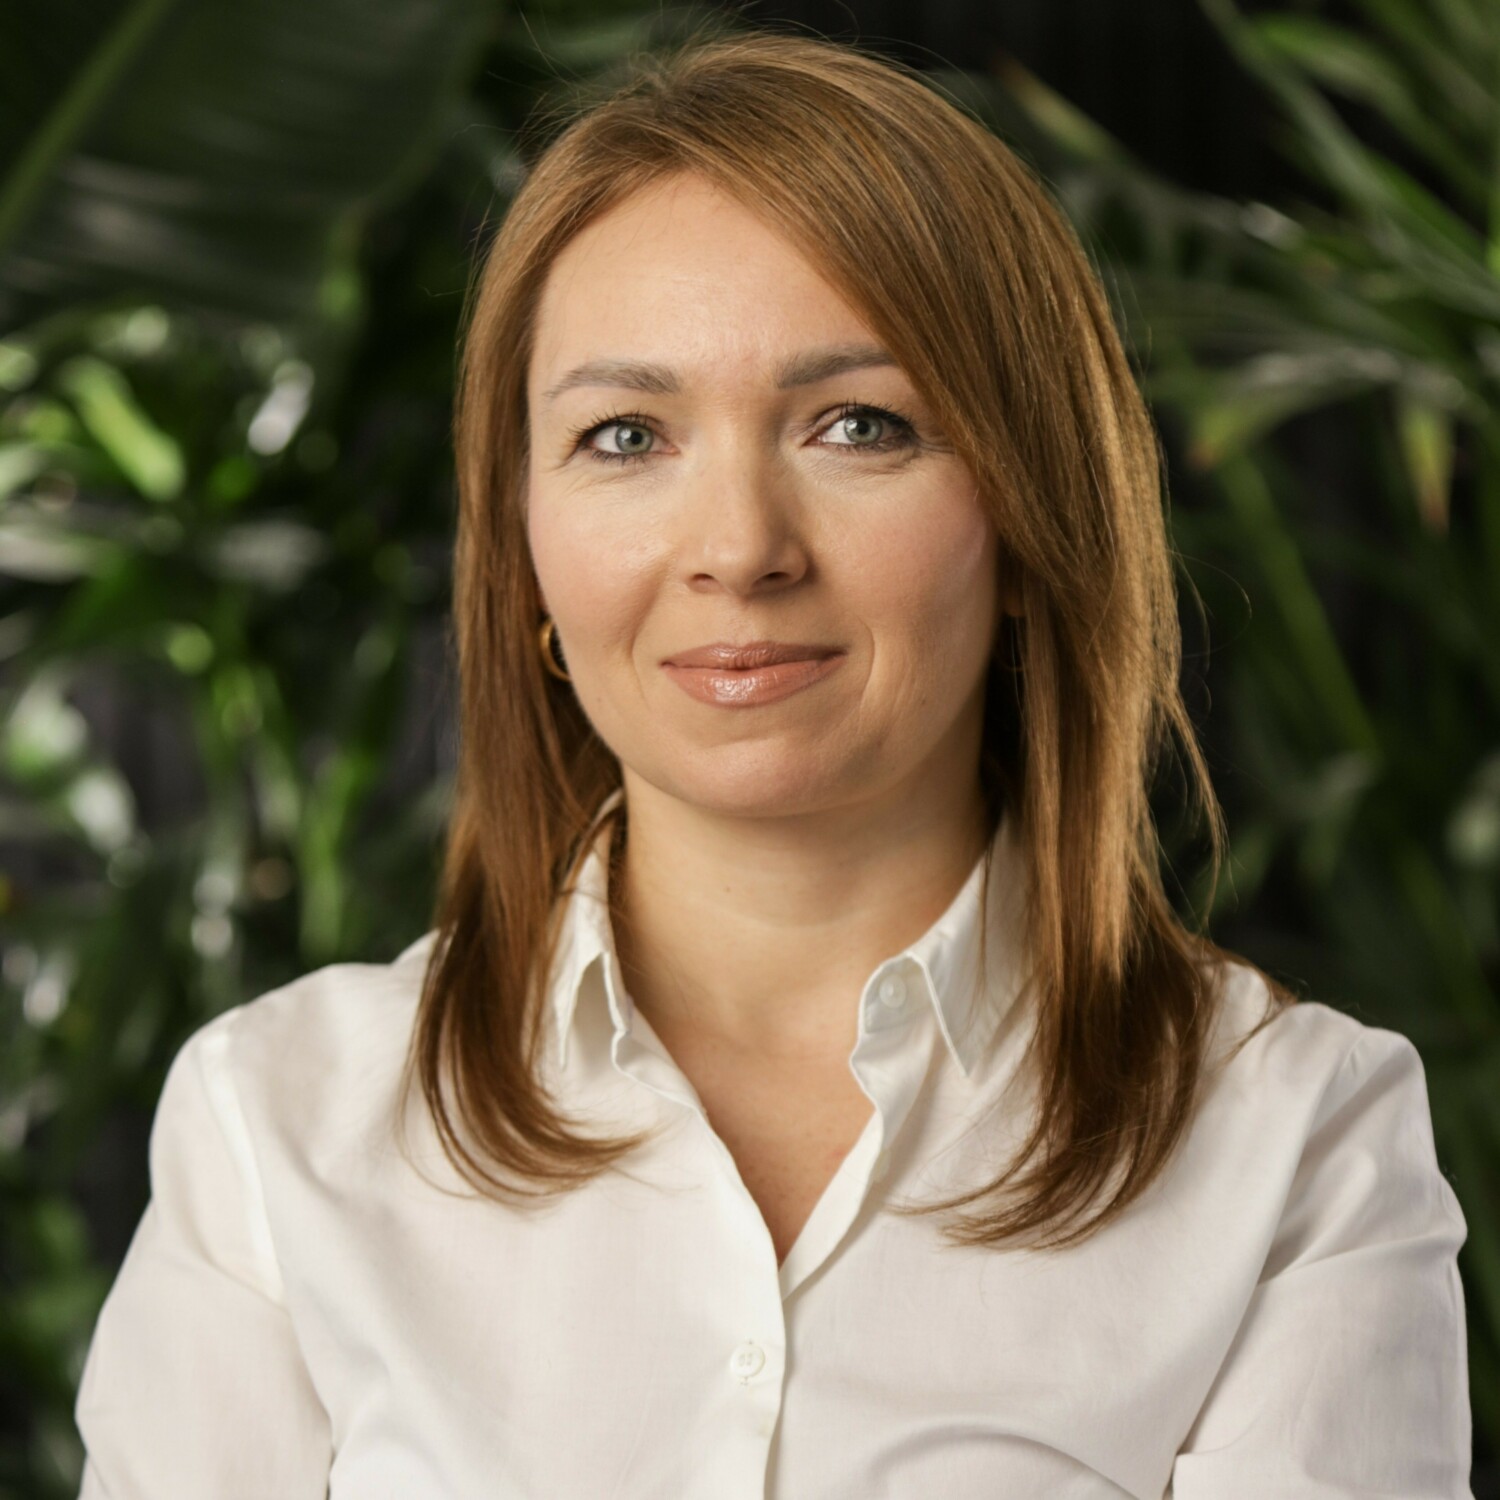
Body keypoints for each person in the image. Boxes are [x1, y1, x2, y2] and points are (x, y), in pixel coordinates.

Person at [73, 28, 1474, 1499]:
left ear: (1027, 520)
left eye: (859, 426)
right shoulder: (276, 1126)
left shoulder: (1294, 1140)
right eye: (627, 435)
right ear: (525, 544)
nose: (739, 549)